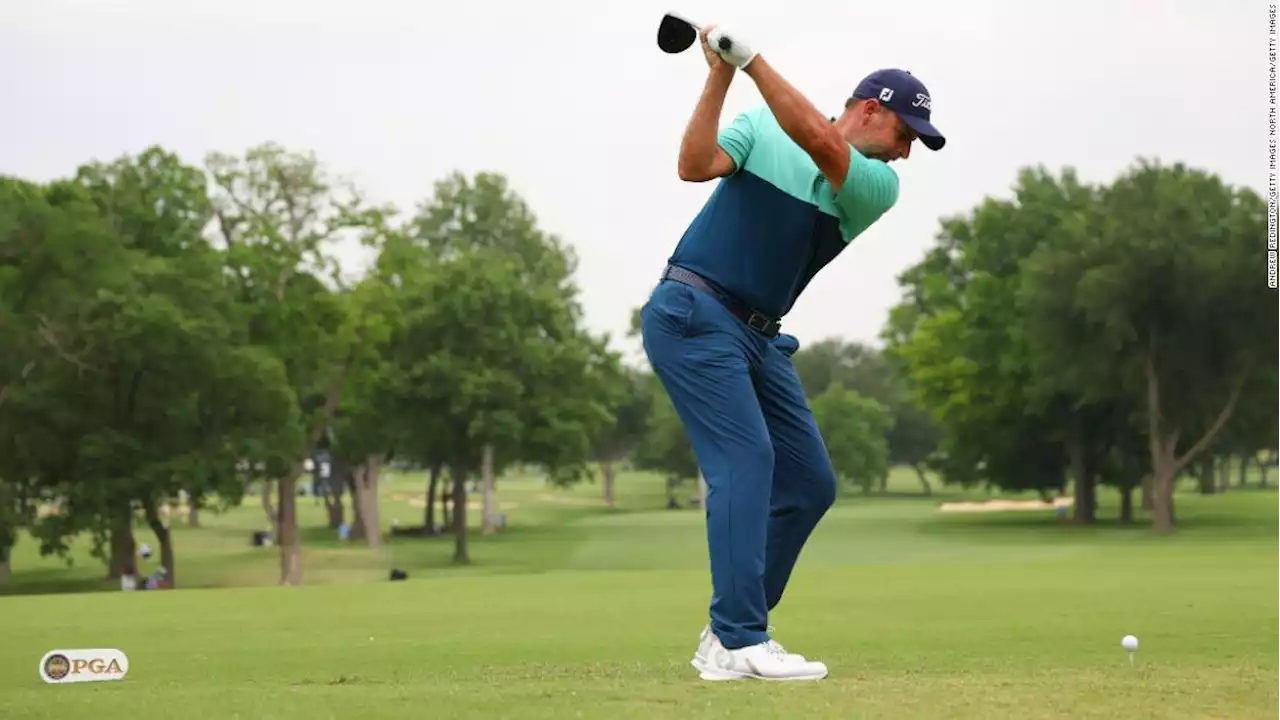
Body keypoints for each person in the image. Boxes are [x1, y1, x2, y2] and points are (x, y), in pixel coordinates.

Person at [640, 24, 945, 682]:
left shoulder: (873, 185)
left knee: (808, 484)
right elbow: (693, 166)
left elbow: (817, 140)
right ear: (871, 110)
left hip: (757, 334)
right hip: (692, 312)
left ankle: (729, 632)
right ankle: (741, 637)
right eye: (905, 136)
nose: (907, 154)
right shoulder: (760, 128)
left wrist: (749, 59)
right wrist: (720, 73)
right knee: (746, 460)